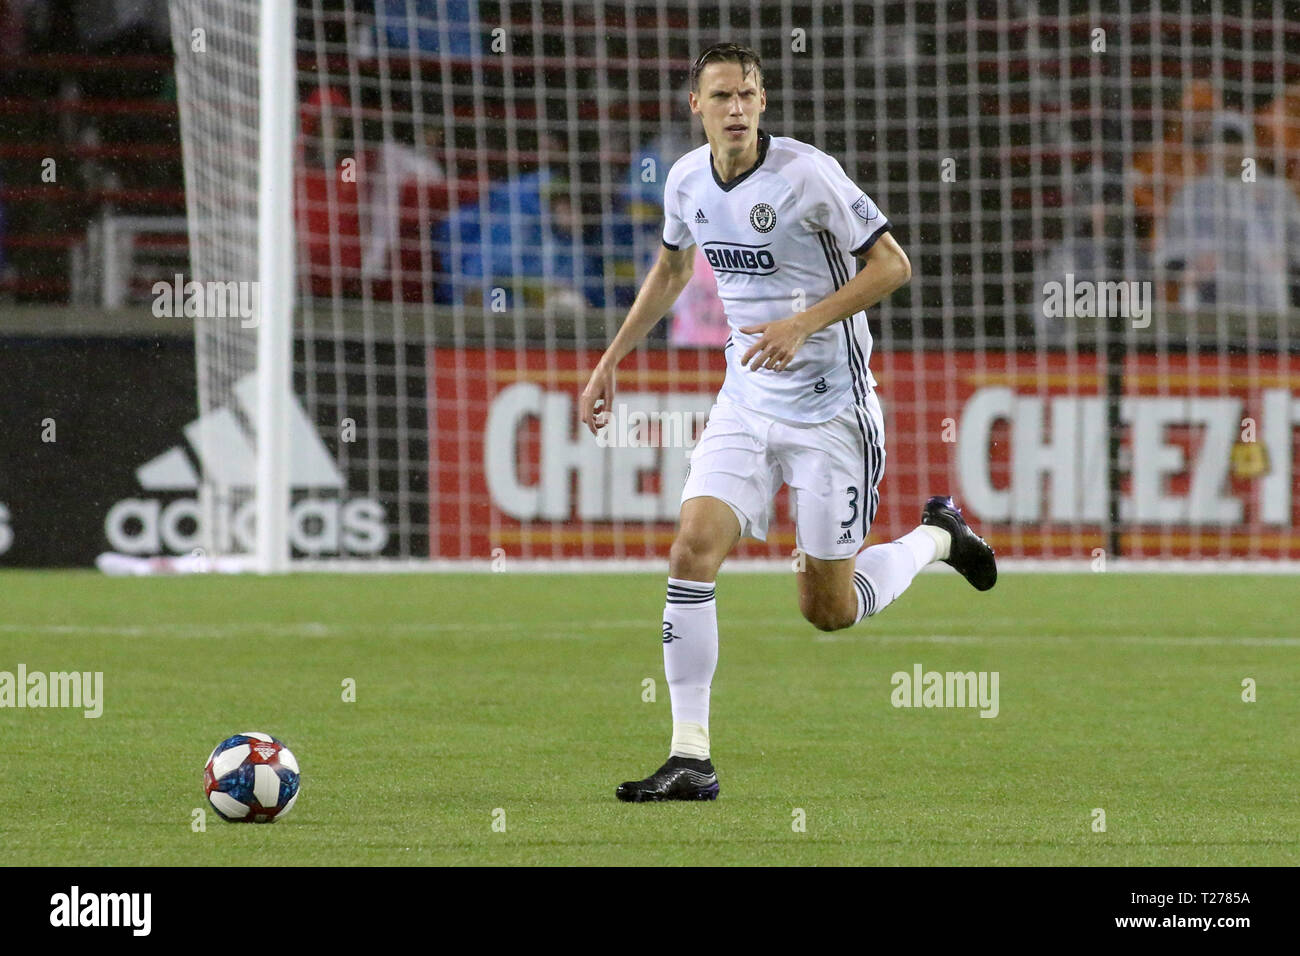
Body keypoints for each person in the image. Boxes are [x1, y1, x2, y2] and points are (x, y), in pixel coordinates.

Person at [578, 43, 997, 803]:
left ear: (762, 103)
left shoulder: (807, 174)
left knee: (827, 611)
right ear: (695, 108)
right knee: (691, 551)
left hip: (831, 411)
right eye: (720, 96)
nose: (735, 108)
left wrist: (803, 323)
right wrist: (611, 359)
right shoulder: (683, 182)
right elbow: (672, 269)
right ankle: (690, 757)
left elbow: (893, 265)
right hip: (744, 401)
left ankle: (937, 536)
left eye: (747, 95)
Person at [1154, 112, 1300, 313]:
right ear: (1210, 148)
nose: (1230, 150)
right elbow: (1169, 254)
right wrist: (1191, 263)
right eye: (1222, 142)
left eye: (1236, 142)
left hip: (1268, 303)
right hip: (1207, 303)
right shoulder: (1190, 195)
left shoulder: (1277, 194)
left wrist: (1284, 260)